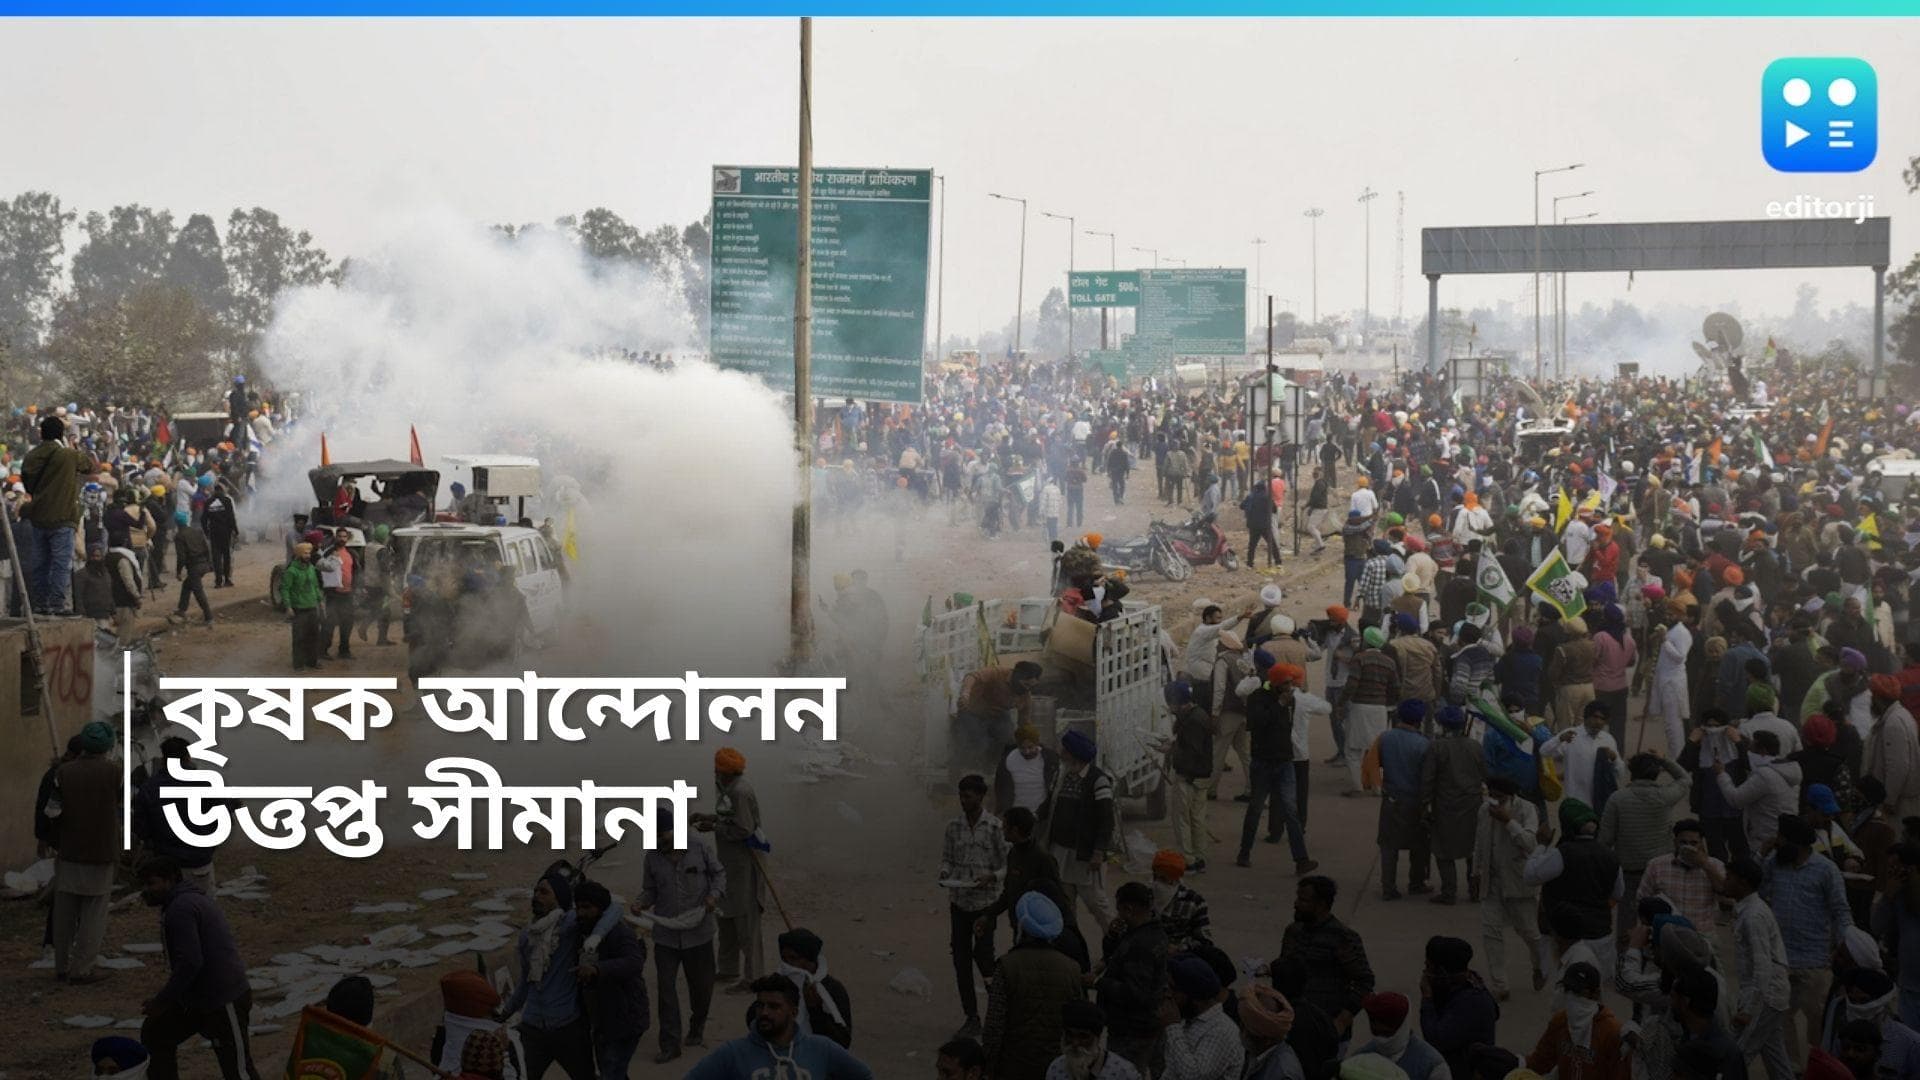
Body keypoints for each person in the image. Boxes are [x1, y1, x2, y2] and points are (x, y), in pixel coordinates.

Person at [136, 858, 260, 1080]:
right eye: (143, 885)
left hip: (223, 999)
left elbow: (190, 962)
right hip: (198, 998)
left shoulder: (181, 908)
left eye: (151, 883)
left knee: (238, 1070)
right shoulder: (184, 901)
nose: (145, 891)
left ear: (170, 880)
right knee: (156, 1033)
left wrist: (162, 1001)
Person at [1762, 813, 1854, 1066]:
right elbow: (1756, 890)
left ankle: (1821, 1065)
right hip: (1781, 957)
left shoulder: (1826, 870)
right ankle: (1792, 1068)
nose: (1777, 842)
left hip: (1814, 959)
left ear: (1797, 843)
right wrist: (1761, 855)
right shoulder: (1774, 862)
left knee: (1818, 1018)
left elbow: (1840, 910)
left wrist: (1848, 944)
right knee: (1781, 1016)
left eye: (1781, 839)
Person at [634, 813, 725, 1064]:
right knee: (666, 990)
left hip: (699, 934)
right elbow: (650, 891)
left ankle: (697, 1027)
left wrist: (714, 896)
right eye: (654, 836)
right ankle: (670, 1043)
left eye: (662, 834)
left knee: (702, 988)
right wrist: (640, 903)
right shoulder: (652, 857)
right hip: (666, 937)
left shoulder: (699, 847)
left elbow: (719, 875)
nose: (658, 840)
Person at [498, 869, 598, 1080]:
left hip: (566, 1024)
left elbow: (611, 911)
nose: (536, 896)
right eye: (535, 891)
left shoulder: (570, 925)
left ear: (559, 898)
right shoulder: (528, 935)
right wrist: (504, 1014)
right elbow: (526, 983)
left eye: (544, 892)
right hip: (533, 1026)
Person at [47, 721, 121, 985]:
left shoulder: (64, 772)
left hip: (69, 850)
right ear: (108, 746)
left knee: (64, 913)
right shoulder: (115, 772)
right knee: (94, 914)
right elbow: (126, 803)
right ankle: (83, 969)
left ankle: (61, 966)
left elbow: (52, 811)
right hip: (101, 851)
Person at [685, 976, 874, 1079]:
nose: (764, 1012)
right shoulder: (733, 1053)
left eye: (774, 1007)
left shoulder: (821, 1049)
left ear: (793, 1012)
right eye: (760, 1005)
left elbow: (864, 1076)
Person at [985, 892, 1086, 1080]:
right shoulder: (1072, 969)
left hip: (1013, 1063)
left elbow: (994, 1025)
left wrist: (988, 1065)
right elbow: (1077, 1022)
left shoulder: (1006, 966)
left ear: (1022, 927)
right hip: (1056, 1065)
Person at [1526, 799, 1623, 987]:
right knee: (1595, 992)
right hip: (1601, 935)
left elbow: (1530, 875)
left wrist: (1541, 846)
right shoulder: (1610, 856)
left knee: (1565, 992)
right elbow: (1618, 894)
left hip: (1567, 939)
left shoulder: (1562, 854)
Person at [940, 774, 1007, 1041]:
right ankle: (971, 1017)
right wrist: (944, 873)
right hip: (959, 901)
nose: (963, 800)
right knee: (961, 961)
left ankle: (998, 1014)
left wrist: (993, 877)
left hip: (985, 905)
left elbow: (1006, 864)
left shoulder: (995, 828)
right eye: (961, 795)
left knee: (985, 959)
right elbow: (947, 858)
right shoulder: (953, 827)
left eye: (967, 796)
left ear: (980, 796)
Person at [1599, 751, 1690, 944]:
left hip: (1629, 870)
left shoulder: (1617, 799)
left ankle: (1625, 958)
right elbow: (1685, 779)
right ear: (1656, 773)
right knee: (1661, 919)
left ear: (1632, 772)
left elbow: (1605, 840)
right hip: (1661, 871)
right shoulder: (1665, 795)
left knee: (1627, 920)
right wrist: (1663, 759)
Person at [696, 747, 764, 992]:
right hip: (728, 865)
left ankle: (753, 978)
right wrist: (710, 817)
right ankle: (728, 969)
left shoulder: (739, 792)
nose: (715, 773)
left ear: (726, 772)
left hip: (744, 864)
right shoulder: (726, 788)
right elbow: (729, 818)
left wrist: (713, 828)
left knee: (745, 920)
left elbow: (744, 829)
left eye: (718, 770)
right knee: (725, 916)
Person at [1721, 857, 1794, 1080]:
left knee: (1738, 1056)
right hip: (1768, 995)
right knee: (1776, 1059)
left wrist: (1749, 1009)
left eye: (1729, 877)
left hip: (1765, 997)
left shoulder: (1753, 916)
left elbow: (1763, 967)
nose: (1724, 881)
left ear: (1743, 882)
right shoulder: (1749, 910)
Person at [1275, 875, 1374, 1040]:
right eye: (1298, 898)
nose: (1296, 904)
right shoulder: (1293, 932)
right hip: (1292, 1025)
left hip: (1326, 1028)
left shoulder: (1342, 937)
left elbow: (1364, 981)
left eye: (1303, 900)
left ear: (1321, 905)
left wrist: (1342, 1021)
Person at [1239, 663, 1316, 873]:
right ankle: (1244, 853)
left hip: (1284, 761)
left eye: (1291, 683)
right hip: (1263, 761)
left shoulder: (1291, 701)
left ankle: (1301, 860)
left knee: (1291, 811)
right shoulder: (1258, 698)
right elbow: (1255, 723)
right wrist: (1279, 705)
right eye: (1286, 683)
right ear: (1276, 683)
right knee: (1255, 809)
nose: (1290, 687)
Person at [1474, 775, 1543, 1001]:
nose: (1495, 801)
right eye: (1491, 796)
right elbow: (1479, 841)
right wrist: (1476, 871)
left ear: (1511, 796)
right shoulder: (1484, 810)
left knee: (1530, 933)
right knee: (1491, 933)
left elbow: (1530, 844)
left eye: (1500, 798)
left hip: (1518, 882)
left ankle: (1539, 966)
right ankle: (1500, 984)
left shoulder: (1526, 809)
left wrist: (1508, 821)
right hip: (1491, 883)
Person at [21, 414, 92, 615]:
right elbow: (88, 465)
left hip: (38, 516)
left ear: (41, 434)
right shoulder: (68, 455)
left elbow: (28, 486)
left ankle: (40, 604)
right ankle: (58, 604)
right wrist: (72, 446)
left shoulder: (31, 456)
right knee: (61, 564)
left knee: (40, 563)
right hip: (62, 518)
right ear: (61, 434)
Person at [1096, 882, 1169, 1075]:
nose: (1118, 915)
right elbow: (1114, 955)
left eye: (1120, 910)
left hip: (1132, 1030)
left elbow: (1134, 993)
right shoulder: (1151, 931)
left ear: (1128, 909)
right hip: (1148, 1024)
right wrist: (1112, 937)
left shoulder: (1140, 944)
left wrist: (1098, 983)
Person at [1046, 730, 1116, 932]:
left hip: (1085, 854)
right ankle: (1071, 944)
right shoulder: (1061, 775)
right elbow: (1049, 805)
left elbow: (1106, 819)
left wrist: (1098, 851)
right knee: (1065, 905)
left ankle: (1117, 941)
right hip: (1060, 852)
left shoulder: (1098, 780)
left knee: (1097, 904)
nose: (1061, 754)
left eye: (1064, 751)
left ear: (1073, 755)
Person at [1422, 706, 1485, 905]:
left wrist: (1424, 805)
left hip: (1445, 806)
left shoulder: (1436, 747)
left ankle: (1449, 892)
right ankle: (1475, 891)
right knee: (1473, 850)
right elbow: (1485, 774)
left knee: (1443, 850)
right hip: (1472, 805)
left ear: (1443, 725)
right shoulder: (1475, 746)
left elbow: (1427, 780)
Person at [1523, 962, 1629, 1080]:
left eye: (1578, 992)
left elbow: (1620, 1075)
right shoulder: (1560, 1021)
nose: (1571, 997)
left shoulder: (1612, 1032)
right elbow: (1540, 1062)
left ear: (1596, 994)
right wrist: (1514, 1062)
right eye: (1567, 990)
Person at [1376, 699, 1434, 900]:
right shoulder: (1424, 744)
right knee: (1419, 845)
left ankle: (1388, 887)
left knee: (1388, 845)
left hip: (1391, 799)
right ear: (1419, 721)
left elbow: (1376, 765)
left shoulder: (1385, 738)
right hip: (1415, 801)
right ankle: (1416, 883)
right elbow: (1427, 778)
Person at [1418, 937, 1498, 1078]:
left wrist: (1427, 999)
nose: (1425, 973)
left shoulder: (1471, 1001)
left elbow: (1436, 1039)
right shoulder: (1466, 985)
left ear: (1441, 971)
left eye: (1428, 967)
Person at [1713, 729, 1802, 853]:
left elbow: (1736, 800)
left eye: (1751, 749)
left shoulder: (1765, 775)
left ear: (1763, 751)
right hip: (1783, 835)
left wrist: (1721, 774)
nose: (1748, 753)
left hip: (1766, 841)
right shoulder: (1785, 770)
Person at [1634, 819, 1728, 933]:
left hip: (1701, 934)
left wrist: (1705, 865)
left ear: (1701, 843)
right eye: (1683, 842)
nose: (1688, 847)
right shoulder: (1656, 865)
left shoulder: (1715, 865)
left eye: (1694, 843)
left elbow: (1725, 893)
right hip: (1667, 935)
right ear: (1675, 842)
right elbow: (1642, 899)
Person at [1161, 954, 1242, 1080]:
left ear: (1195, 998)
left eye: (1174, 989)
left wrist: (1172, 1026)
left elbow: (1194, 1075)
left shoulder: (1221, 1030)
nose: (1168, 994)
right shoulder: (1188, 1021)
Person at [1166, 681, 1218, 871]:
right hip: (1202, 776)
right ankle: (1199, 857)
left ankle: (1188, 859)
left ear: (1178, 702)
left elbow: (1191, 752)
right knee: (1197, 818)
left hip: (1189, 777)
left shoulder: (1192, 721)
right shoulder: (1198, 714)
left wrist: (1170, 750)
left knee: (1183, 819)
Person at [1345, 628, 1400, 793]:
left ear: (1365, 642)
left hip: (1360, 706)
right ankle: (1378, 786)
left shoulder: (1359, 659)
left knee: (1353, 750)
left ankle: (1357, 787)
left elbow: (1352, 684)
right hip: (1380, 708)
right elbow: (1395, 687)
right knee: (1377, 750)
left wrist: (1341, 703)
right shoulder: (1389, 662)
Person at [1344, 992, 1446, 1080]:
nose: (1381, 1038)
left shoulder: (1431, 1065)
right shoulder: (1358, 1061)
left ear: (1401, 1027)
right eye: (1376, 1031)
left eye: (1386, 1032)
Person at [1540, 700, 1621, 809]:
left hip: (1600, 803)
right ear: (1586, 717)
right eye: (1595, 717)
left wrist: (1614, 759)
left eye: (1602, 719)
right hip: (1576, 802)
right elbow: (1544, 751)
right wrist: (1559, 739)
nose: (1598, 722)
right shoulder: (1571, 735)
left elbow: (1620, 772)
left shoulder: (1608, 739)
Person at [1667, 968, 1746, 1080]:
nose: (1670, 1003)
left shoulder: (1692, 1054)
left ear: (1685, 1001)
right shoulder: (1731, 1050)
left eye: (1673, 997)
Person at [1867, 673, 1920, 819]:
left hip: (1899, 803)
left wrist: (1889, 799)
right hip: (1901, 797)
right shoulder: (1901, 714)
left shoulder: (1893, 723)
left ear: (1877, 698)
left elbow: (1898, 766)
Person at [1048, 1001, 1143, 1080]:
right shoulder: (1056, 1068)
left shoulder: (1124, 1072)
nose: (1075, 1043)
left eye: (1083, 1037)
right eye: (1070, 1035)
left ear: (1097, 1038)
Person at [1144, 850, 1211, 953]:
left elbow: (1204, 940)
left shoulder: (1194, 902)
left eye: (1163, 879)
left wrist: (1179, 948)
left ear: (1175, 879)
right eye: (1155, 877)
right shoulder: (1145, 896)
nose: (1157, 883)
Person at [995, 724, 1060, 821]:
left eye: (1030, 747)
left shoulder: (1050, 759)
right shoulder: (1008, 759)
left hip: (1040, 815)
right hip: (1015, 814)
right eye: (1022, 748)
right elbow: (1000, 787)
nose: (1027, 751)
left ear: (1037, 743)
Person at [169, 509, 213, 627]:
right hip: (203, 564)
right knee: (187, 585)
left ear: (176, 523)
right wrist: (210, 564)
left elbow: (181, 557)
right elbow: (207, 548)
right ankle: (181, 610)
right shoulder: (197, 531)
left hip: (194, 567)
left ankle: (209, 617)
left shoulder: (179, 536)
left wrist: (178, 572)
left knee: (198, 591)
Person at [283, 542, 323, 670]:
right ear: (299, 554)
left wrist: (320, 600)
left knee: (314, 635)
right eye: (305, 553)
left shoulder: (311, 568)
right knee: (299, 637)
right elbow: (285, 589)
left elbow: (315, 586)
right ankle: (298, 663)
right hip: (299, 609)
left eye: (309, 553)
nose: (308, 556)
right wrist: (288, 606)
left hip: (312, 607)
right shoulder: (291, 571)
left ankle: (312, 661)